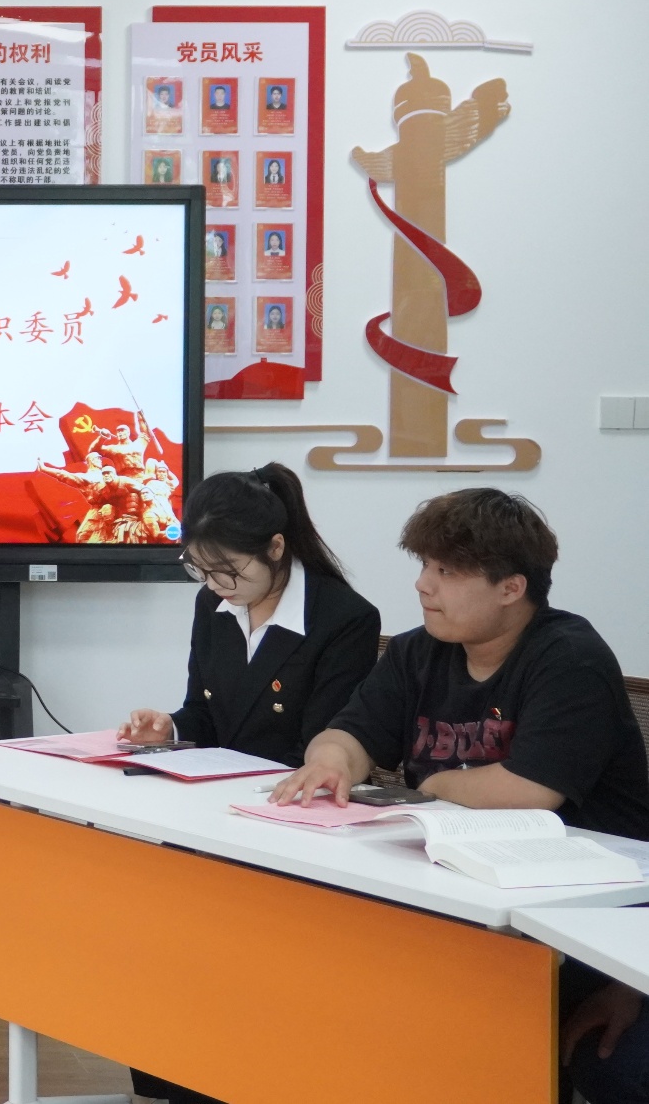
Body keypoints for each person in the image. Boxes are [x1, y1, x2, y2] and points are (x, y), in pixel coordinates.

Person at [268, 491, 649, 1104]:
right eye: (424, 565)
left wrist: (431, 785)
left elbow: (529, 790)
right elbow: (349, 733)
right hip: (466, 904)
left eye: (446, 571)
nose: (423, 585)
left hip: (592, 927)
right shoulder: (418, 650)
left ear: (511, 588)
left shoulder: (569, 657)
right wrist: (331, 762)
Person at [117, 465, 380, 1104]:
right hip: (211, 811)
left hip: (286, 823)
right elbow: (204, 714)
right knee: (156, 934)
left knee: (233, 961)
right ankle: (172, 1076)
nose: (216, 587)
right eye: (200, 571)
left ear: (276, 548)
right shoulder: (214, 605)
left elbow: (322, 747)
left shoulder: (343, 618)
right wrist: (171, 728)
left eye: (229, 572)